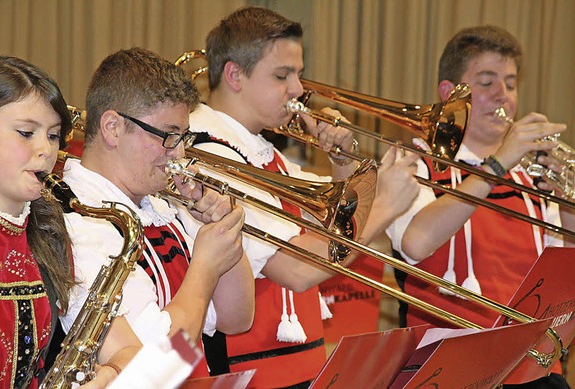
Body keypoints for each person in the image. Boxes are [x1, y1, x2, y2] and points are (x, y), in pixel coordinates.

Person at [177, 6, 421, 388]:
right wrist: (388, 205)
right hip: (247, 370)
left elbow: (332, 221)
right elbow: (298, 269)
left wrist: (340, 162)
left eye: (298, 74)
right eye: (282, 75)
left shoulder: (262, 150)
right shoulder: (210, 152)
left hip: (294, 365)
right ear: (234, 75)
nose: (298, 90)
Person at [0, 56, 141, 389]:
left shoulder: (50, 233)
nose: (46, 150)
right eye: (26, 132)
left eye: (54, 135)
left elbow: (123, 350)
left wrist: (107, 375)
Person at [385, 25, 574, 387]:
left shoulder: (534, 175)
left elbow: (563, 278)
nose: (503, 96)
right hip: (445, 373)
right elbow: (416, 243)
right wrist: (497, 166)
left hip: (533, 370)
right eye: (487, 83)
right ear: (450, 94)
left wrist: (568, 204)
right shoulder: (414, 165)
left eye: (511, 83)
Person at [59, 47, 254, 380]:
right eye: (168, 136)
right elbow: (155, 367)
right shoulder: (76, 223)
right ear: (112, 128)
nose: (178, 153)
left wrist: (222, 231)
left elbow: (237, 318)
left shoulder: (159, 206)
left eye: (183, 137)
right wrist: (205, 268)